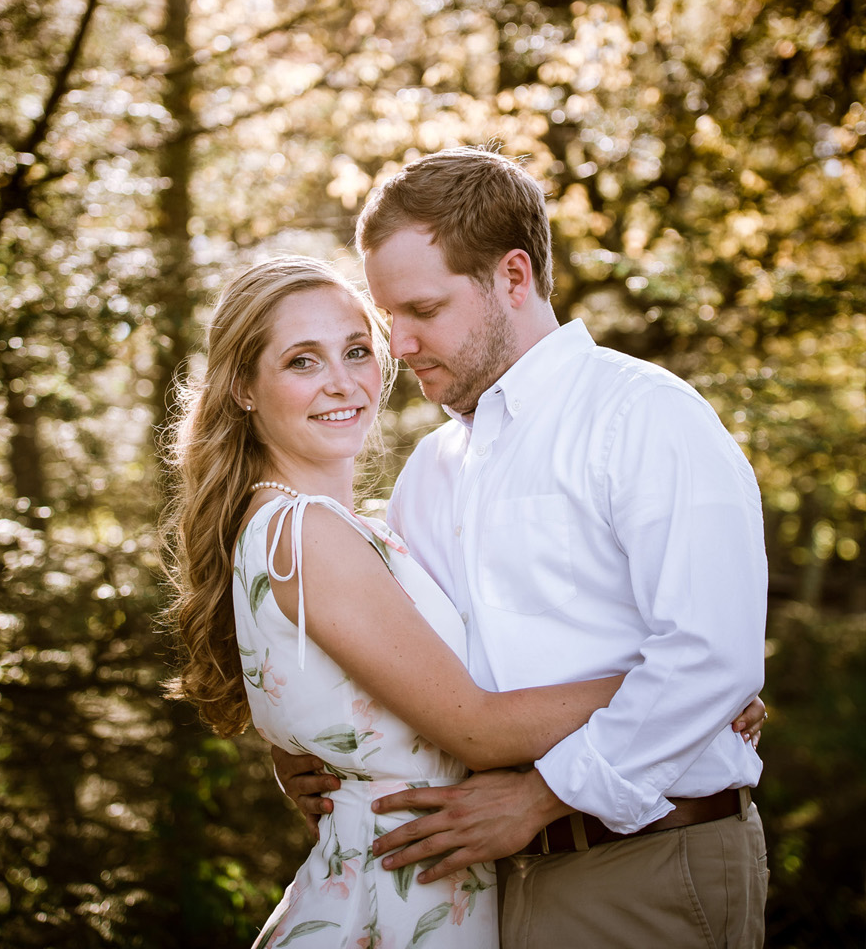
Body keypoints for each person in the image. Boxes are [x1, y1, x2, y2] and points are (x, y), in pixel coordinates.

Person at [272, 148, 768, 948]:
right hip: (480, 888)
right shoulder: (430, 472)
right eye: (387, 315)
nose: (398, 343)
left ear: (512, 277)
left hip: (645, 868)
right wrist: (311, 747)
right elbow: (407, 666)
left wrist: (541, 797)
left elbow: (713, 658)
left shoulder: (644, 417)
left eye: (423, 310)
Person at [168, 256, 646, 947]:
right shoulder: (307, 531)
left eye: (357, 351)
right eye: (303, 361)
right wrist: (666, 689)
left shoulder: (320, 525)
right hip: (386, 910)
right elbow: (475, 727)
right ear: (244, 386)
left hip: (410, 892)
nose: (342, 381)